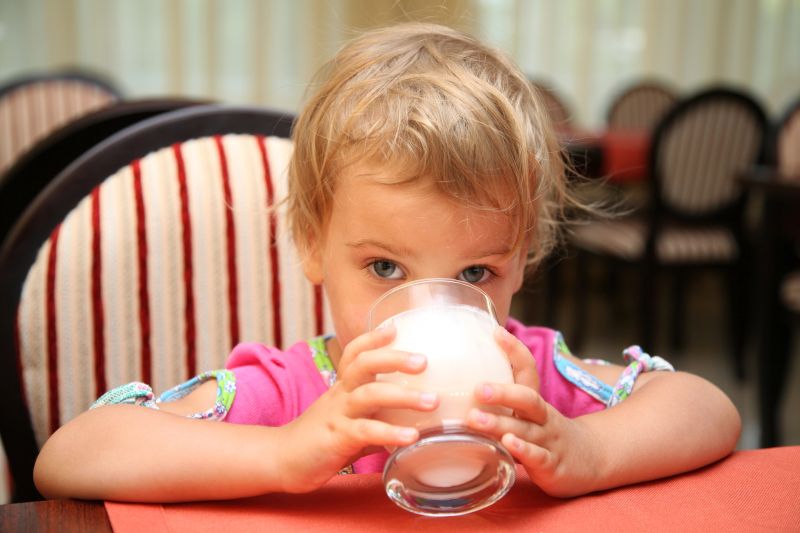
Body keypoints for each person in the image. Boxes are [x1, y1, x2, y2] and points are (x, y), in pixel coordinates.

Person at [33, 22, 740, 502]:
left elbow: (708, 407)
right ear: (312, 243)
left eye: (473, 275)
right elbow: (70, 455)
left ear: (521, 259)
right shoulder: (295, 395)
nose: (431, 312)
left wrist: (587, 448)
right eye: (385, 269)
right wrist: (285, 452)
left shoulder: (529, 387)